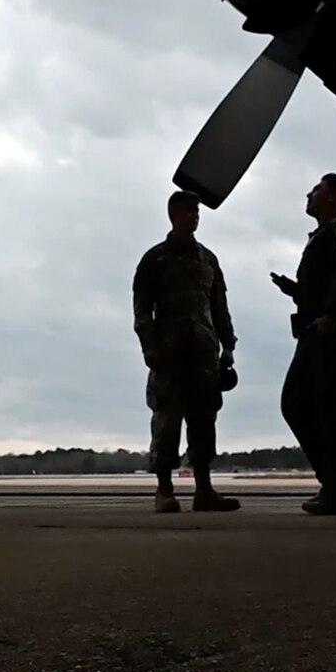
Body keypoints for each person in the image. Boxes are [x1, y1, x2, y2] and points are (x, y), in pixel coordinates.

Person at [132, 190, 239, 513]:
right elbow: (142, 312)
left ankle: (204, 490)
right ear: (173, 215)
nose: (194, 216)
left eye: (197, 212)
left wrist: (228, 345)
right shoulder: (155, 260)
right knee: (166, 422)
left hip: (205, 354)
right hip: (168, 354)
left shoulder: (208, 260)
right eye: (188, 211)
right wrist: (150, 349)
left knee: (204, 421)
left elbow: (219, 305)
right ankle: (164, 490)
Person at [270, 173, 336, 516]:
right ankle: (335, 486)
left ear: (333, 197)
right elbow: (327, 283)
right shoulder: (324, 235)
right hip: (316, 333)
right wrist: (296, 290)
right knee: (299, 405)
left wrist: (335, 316)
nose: (309, 193)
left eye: (317, 189)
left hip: (334, 334)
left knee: (332, 412)